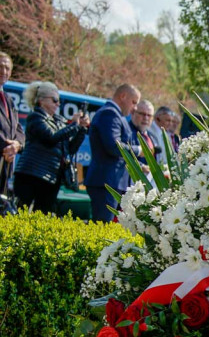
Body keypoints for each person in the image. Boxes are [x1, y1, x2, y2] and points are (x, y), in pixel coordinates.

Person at [12, 81, 89, 214]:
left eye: (58, 101)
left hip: (52, 177)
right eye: (54, 100)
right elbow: (51, 137)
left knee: (42, 215)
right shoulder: (35, 117)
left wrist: (81, 129)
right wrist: (74, 125)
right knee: (19, 212)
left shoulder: (59, 121)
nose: (58, 104)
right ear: (41, 101)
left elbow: (70, 148)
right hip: (31, 174)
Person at [84, 84, 142, 222]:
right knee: (103, 227)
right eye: (134, 102)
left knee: (107, 227)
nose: (135, 108)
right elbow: (113, 146)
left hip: (111, 181)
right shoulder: (109, 113)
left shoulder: (115, 115)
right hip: (106, 182)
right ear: (123, 96)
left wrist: (137, 164)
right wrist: (139, 150)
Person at [0, 52, 25, 194]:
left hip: (4, 167)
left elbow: (18, 129)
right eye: (0, 66)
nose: (3, 71)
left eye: (7, 68)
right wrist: (6, 146)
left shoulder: (9, 99)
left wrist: (17, 145)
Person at [129, 100, 161, 164]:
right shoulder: (127, 132)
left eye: (149, 115)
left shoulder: (153, 137)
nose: (146, 118)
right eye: (142, 114)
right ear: (133, 113)